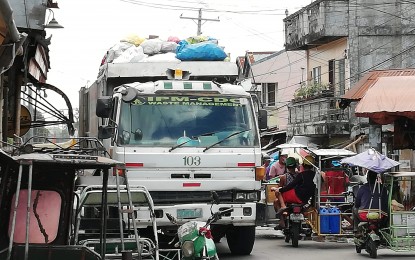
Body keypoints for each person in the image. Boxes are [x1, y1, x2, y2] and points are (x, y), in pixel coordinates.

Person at [271, 156, 299, 232]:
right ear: (295, 166)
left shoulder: (283, 177)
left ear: (286, 166)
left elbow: (280, 188)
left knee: (276, 201)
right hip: (299, 198)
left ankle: (282, 221)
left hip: (287, 199)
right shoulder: (300, 175)